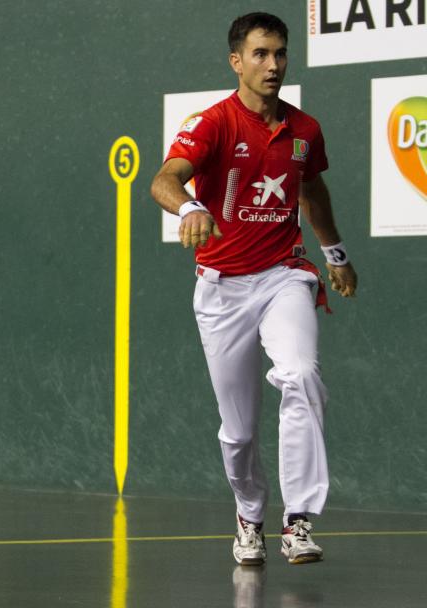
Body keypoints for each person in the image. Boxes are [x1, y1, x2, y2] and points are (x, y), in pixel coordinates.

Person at [150, 13, 357, 566]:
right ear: (236, 61)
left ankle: (297, 520)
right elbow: (164, 180)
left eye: (280, 53)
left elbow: (312, 191)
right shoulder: (213, 123)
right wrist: (190, 207)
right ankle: (248, 513)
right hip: (222, 289)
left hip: (284, 275)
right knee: (239, 433)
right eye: (261, 54)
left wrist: (335, 253)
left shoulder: (304, 129)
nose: (273, 64)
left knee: (301, 375)